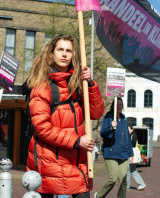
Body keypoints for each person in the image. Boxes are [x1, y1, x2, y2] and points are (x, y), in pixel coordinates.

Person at [25, 34, 105, 198]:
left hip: (76, 163)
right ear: (51, 53)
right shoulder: (42, 86)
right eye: (60, 49)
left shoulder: (78, 83)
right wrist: (77, 141)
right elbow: (42, 129)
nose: (64, 54)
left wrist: (90, 84)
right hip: (49, 162)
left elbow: (96, 113)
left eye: (68, 51)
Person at [94, 97, 133, 198]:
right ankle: (98, 195)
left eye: (120, 105)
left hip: (124, 154)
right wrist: (111, 127)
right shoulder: (109, 117)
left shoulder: (124, 119)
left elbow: (128, 137)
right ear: (113, 106)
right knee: (113, 178)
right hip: (111, 152)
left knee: (123, 182)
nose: (119, 106)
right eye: (117, 105)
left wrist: (131, 154)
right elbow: (102, 133)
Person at [126, 125, 146, 191]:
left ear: (132, 130)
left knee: (127, 170)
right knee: (133, 171)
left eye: (128, 129)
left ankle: (127, 186)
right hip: (131, 155)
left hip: (130, 155)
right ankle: (142, 184)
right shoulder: (130, 136)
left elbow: (132, 144)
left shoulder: (132, 136)